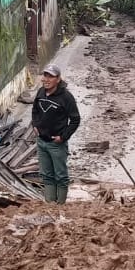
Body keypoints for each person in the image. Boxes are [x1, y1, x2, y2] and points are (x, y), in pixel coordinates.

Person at [32, 62, 81, 204]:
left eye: (50, 76)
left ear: (58, 79)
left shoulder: (66, 97)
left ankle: (60, 205)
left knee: (61, 176)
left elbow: (75, 120)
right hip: (41, 142)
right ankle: (50, 203)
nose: (46, 79)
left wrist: (63, 137)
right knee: (46, 175)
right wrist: (35, 125)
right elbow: (35, 110)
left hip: (56, 144)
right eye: (45, 75)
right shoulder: (40, 92)